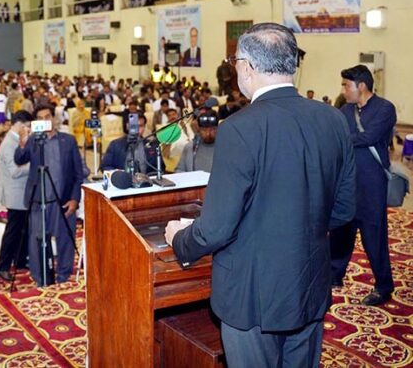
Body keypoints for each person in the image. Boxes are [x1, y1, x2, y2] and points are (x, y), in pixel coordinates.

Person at [165, 23, 356, 367]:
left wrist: (180, 239)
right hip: (310, 283)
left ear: (248, 67)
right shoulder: (333, 120)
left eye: (235, 61)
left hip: (252, 295)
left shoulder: (240, 128)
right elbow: (344, 209)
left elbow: (216, 228)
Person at [330, 65, 396, 306]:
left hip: (371, 183)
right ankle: (334, 274)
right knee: (340, 230)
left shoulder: (385, 109)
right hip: (346, 180)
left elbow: (368, 137)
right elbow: (334, 135)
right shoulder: (345, 110)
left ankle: (383, 286)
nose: (344, 90)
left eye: (347, 85)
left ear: (361, 86)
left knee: (373, 235)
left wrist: (342, 138)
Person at [15, 104, 83, 286]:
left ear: (53, 118)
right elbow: (19, 159)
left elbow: (78, 173)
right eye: (41, 118)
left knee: (65, 241)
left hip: (63, 201)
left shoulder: (68, 141)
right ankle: (40, 279)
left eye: (48, 116)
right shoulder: (33, 141)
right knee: (36, 242)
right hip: (38, 200)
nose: (45, 120)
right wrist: (22, 142)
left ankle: (63, 277)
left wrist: (75, 199)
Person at [0, 110, 32, 282]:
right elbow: (15, 171)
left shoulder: (18, 141)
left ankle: (20, 260)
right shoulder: (9, 144)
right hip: (14, 194)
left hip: (22, 193)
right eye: (27, 126)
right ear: (19, 125)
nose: (29, 130)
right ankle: (2, 266)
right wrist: (34, 165)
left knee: (23, 230)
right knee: (13, 232)